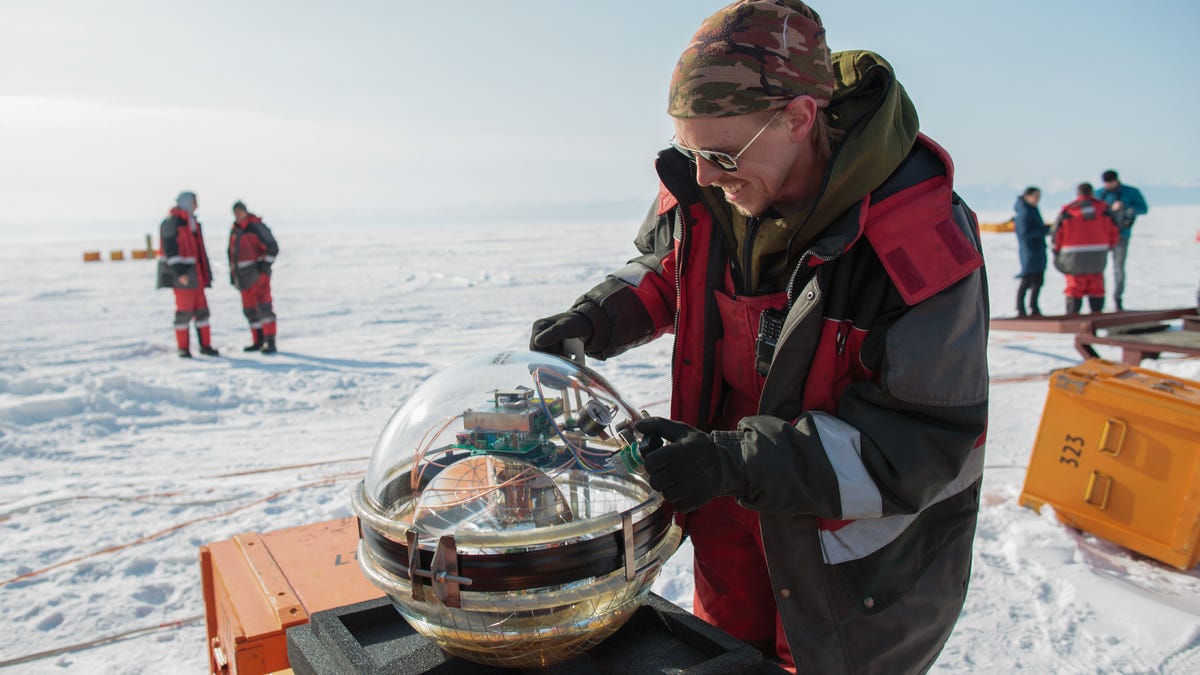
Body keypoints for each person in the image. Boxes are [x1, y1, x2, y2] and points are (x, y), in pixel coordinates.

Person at [529, 2, 988, 672]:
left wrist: (734, 461)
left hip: (855, 563)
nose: (706, 174)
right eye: (692, 152)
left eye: (719, 153)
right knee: (725, 658)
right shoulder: (713, 183)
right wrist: (598, 316)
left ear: (800, 117)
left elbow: (913, 445)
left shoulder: (915, 242)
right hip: (733, 510)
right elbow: (668, 266)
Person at [157, 191, 219, 358]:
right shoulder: (173, 223)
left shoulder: (192, 223)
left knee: (202, 312)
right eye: (194, 202)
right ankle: (183, 348)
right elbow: (170, 249)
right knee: (184, 313)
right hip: (183, 277)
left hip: (197, 275)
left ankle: (205, 346)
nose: (196, 206)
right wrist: (180, 272)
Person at [1052, 183, 1119, 315]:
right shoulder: (1103, 209)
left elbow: (1057, 234)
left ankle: (1072, 320)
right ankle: (1096, 319)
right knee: (1096, 286)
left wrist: (1057, 251)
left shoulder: (1069, 211)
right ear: (1092, 193)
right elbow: (1114, 231)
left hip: (1073, 257)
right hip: (1097, 255)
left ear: (1078, 194)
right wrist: (1109, 246)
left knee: (1074, 286)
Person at [228, 201, 280, 354]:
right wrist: (234, 276)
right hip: (242, 279)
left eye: (240, 211)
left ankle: (269, 341)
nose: (238, 215)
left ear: (245, 211)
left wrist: (263, 268)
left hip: (257, 277)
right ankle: (258, 340)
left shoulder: (256, 227)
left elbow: (273, 248)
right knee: (250, 311)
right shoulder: (235, 230)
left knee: (264, 309)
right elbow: (232, 255)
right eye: (235, 212)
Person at [1094, 169, 1148, 311]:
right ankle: (1098, 299)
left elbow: (1143, 208)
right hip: (1102, 236)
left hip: (1121, 235)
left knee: (1118, 268)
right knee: (1098, 269)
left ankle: (1118, 298)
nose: (1108, 186)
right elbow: (1094, 212)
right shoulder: (1099, 194)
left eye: (1110, 183)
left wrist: (1128, 209)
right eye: (1105, 183)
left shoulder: (1130, 192)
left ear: (1116, 180)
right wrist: (1110, 210)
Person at [1013, 186, 1049, 316]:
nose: (1037, 200)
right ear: (1027, 196)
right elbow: (1024, 232)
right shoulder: (1025, 211)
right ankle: (1021, 309)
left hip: (1037, 249)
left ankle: (1034, 307)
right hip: (1030, 251)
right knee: (1027, 279)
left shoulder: (1032, 209)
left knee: (1038, 280)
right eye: (1035, 196)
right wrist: (1043, 231)